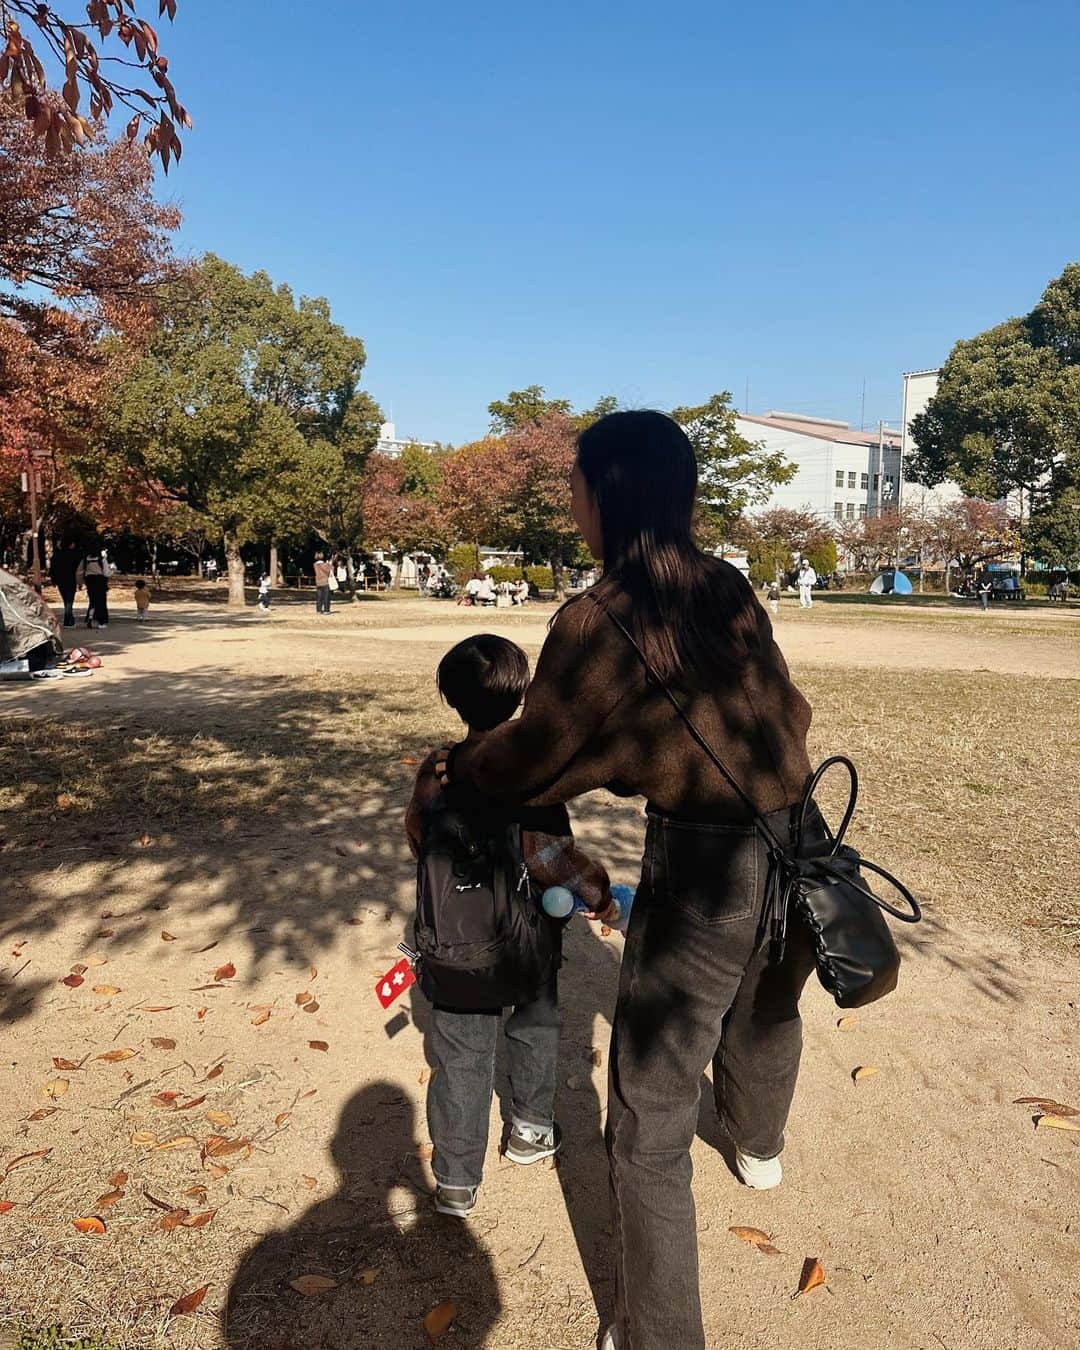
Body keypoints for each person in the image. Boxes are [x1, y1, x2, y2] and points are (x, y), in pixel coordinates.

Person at [434, 411, 816, 1350]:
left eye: (574, 485)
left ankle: (657, 1334)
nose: (570, 502)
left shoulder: (597, 616)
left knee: (648, 1121)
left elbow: (540, 754)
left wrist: (466, 767)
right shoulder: (726, 583)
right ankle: (759, 1146)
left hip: (706, 865)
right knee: (767, 1004)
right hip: (803, 844)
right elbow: (781, 710)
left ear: (610, 495)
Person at [406, 634, 615, 1221]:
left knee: (461, 1058)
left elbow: (418, 837)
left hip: (454, 941)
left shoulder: (437, 769)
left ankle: (455, 1178)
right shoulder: (529, 774)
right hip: (527, 942)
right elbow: (552, 857)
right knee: (536, 1025)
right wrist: (598, 896)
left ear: (450, 696)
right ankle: (528, 1129)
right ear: (521, 694)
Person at [49, 540, 80, 628]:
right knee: (69, 600)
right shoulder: (73, 554)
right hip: (71, 579)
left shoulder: (57, 555)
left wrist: (53, 580)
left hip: (60, 580)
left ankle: (70, 618)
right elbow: (77, 567)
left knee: (66, 600)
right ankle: (68, 620)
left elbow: (53, 568)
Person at [76, 547, 109, 629]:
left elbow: (79, 572)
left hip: (90, 580)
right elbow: (106, 572)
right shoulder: (101, 559)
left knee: (93, 600)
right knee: (101, 601)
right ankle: (101, 622)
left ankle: (90, 617)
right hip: (100, 580)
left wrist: (80, 583)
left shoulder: (85, 560)